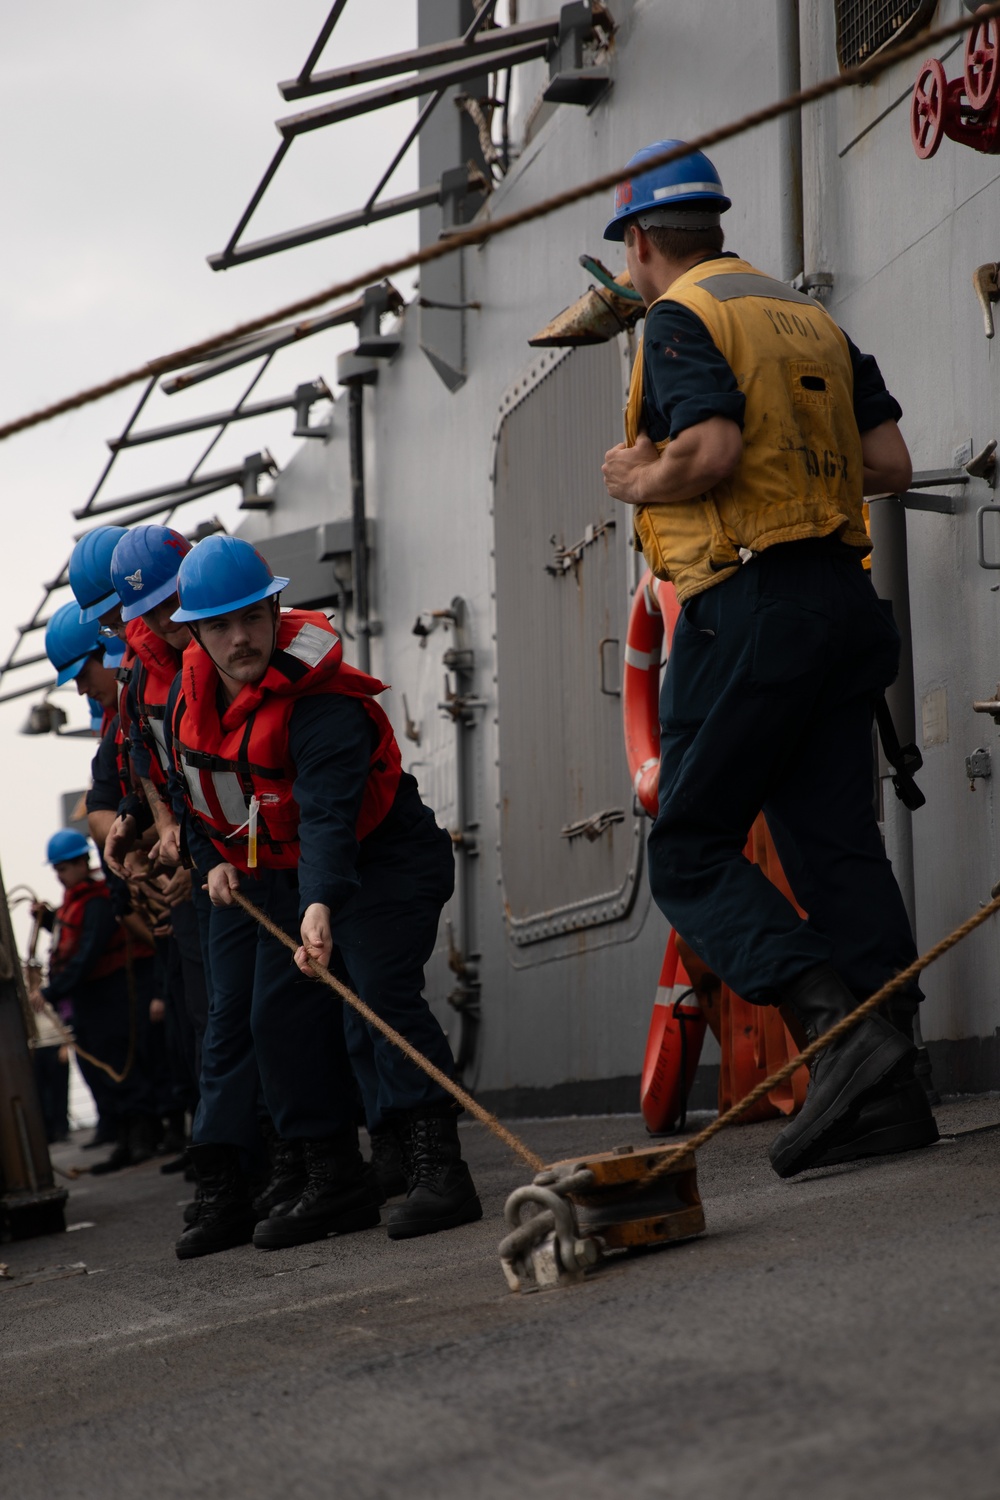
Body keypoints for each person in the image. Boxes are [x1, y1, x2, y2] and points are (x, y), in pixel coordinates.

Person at [600, 141, 937, 1178]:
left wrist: (637, 474)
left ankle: (839, 1038)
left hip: (749, 606)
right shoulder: (811, 318)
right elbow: (888, 463)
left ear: (643, 242)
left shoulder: (678, 317)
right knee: (835, 844)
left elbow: (710, 450)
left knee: (691, 849)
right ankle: (896, 1086)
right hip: (843, 604)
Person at [163, 535, 481, 1258]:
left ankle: (441, 1169)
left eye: (251, 617)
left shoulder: (322, 702)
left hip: (382, 858)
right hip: (285, 873)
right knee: (275, 1016)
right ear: (195, 634)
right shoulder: (194, 695)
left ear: (276, 609)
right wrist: (209, 856)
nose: (239, 638)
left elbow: (332, 816)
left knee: (377, 987)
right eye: (219, 625)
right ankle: (334, 1177)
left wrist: (319, 904)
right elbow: (196, 785)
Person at [33, 829, 160, 1173]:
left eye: (62, 868)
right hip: (89, 997)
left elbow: (89, 951)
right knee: (101, 1067)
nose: (59, 875)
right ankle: (123, 1138)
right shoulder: (76, 903)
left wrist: (49, 991)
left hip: (110, 992)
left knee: (121, 1065)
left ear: (79, 863)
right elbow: (73, 940)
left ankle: (142, 1138)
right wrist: (45, 921)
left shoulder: (98, 900)